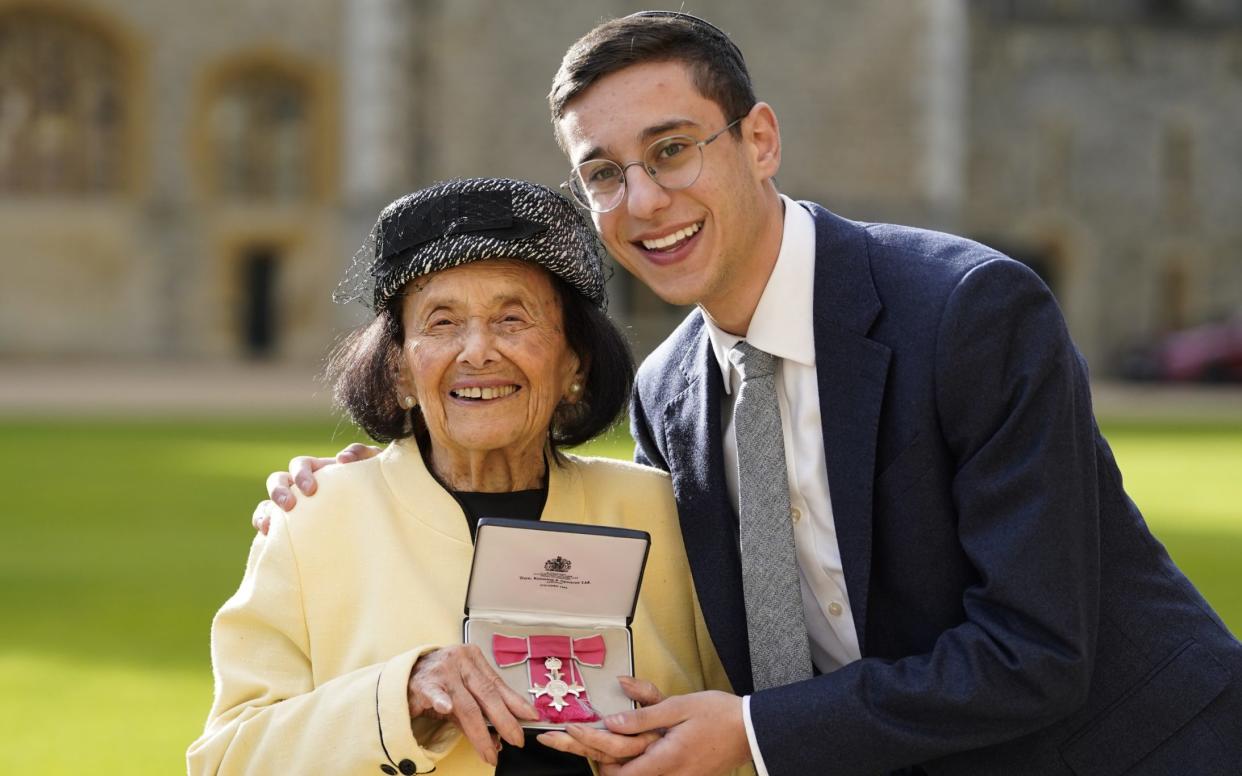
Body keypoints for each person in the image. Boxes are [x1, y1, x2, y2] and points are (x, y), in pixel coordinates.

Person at [260, 11, 1242, 776]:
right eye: (603, 173)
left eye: (674, 148)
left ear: (760, 139)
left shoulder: (967, 311)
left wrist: (753, 732)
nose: (644, 200)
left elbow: (1036, 647)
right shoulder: (667, 390)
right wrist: (388, 473)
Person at [188, 177, 744, 776]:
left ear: (573, 363)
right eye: (443, 322)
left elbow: (753, 730)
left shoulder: (672, 515)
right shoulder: (315, 521)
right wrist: (398, 696)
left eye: (512, 318)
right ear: (399, 369)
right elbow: (226, 761)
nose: (478, 350)